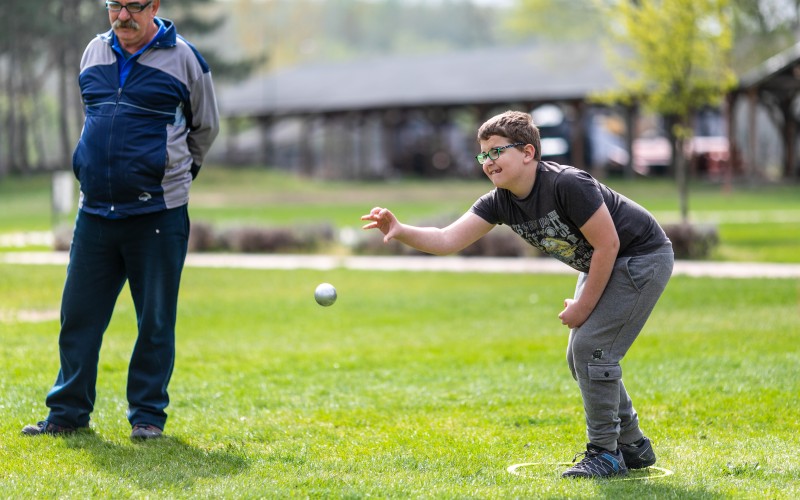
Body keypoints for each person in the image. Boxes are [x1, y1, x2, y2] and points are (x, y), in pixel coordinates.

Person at [361, 110, 673, 478]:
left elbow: (609, 244)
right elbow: (447, 239)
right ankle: (633, 446)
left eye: (497, 151)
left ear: (528, 152)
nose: (488, 161)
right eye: (483, 155)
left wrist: (584, 306)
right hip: (605, 264)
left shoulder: (567, 184)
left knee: (593, 350)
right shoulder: (500, 201)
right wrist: (399, 229)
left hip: (640, 258)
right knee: (581, 357)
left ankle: (606, 453)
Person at [22, 0, 219, 440]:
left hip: (157, 214)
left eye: (133, 6)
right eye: (114, 6)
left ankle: (147, 416)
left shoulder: (185, 59)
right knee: (78, 316)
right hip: (95, 212)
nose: (122, 16)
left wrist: (174, 175)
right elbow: (96, 118)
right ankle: (68, 414)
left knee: (154, 320)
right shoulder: (93, 51)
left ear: (155, 7)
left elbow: (205, 128)